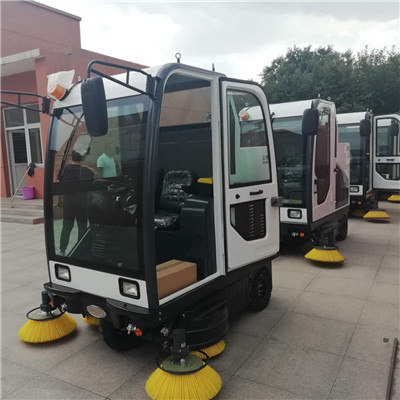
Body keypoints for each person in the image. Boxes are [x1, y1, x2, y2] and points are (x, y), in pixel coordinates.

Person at [59, 150, 94, 256]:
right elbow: (94, 174)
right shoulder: (85, 170)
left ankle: (62, 250)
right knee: (82, 227)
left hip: (68, 203)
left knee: (66, 227)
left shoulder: (65, 169)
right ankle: (81, 250)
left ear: (71, 157)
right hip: (82, 203)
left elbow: (60, 184)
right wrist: (85, 166)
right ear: (82, 158)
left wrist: (60, 200)